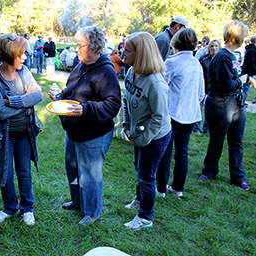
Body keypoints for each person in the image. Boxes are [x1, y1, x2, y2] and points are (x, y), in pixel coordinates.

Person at [48, 25, 121, 226]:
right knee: (73, 169)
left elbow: (113, 104)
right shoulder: (81, 65)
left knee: (89, 175)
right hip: (73, 131)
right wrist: (60, 95)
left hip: (93, 134)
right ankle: (77, 202)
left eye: (80, 45)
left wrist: (86, 109)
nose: (77, 48)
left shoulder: (106, 71)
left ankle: (91, 211)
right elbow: (72, 88)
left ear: (94, 47)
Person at [0, 33, 43, 225]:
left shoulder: (23, 70)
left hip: (25, 133)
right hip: (4, 136)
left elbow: (38, 95)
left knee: (24, 172)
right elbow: (0, 112)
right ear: (9, 56)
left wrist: (11, 101)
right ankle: (10, 207)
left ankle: (28, 209)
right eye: (21, 54)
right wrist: (26, 101)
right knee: (6, 174)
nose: (25, 57)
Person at [198, 20, 256, 190]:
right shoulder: (223, 56)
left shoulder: (232, 55)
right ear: (237, 36)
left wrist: (241, 80)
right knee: (217, 140)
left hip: (236, 104)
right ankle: (209, 171)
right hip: (221, 104)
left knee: (236, 142)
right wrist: (242, 80)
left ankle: (238, 177)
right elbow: (226, 84)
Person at [122, 32, 171, 231]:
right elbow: (126, 101)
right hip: (138, 134)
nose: (122, 53)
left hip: (155, 136)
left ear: (140, 53)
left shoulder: (155, 83)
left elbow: (159, 117)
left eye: (126, 50)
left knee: (146, 175)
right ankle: (140, 198)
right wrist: (126, 126)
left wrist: (142, 140)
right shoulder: (131, 71)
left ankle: (145, 217)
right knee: (138, 167)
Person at [155, 28, 205, 198]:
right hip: (190, 115)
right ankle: (177, 188)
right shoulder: (196, 64)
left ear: (175, 42)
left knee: (166, 152)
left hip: (172, 114)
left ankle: (161, 188)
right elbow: (201, 93)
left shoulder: (172, 62)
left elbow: (161, 87)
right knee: (182, 152)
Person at [194, 39, 221, 134]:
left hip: (213, 89)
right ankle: (196, 128)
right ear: (209, 47)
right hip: (202, 87)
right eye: (212, 46)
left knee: (209, 110)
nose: (214, 48)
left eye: (216, 46)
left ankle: (206, 128)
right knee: (199, 108)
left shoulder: (221, 60)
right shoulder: (203, 59)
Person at [242, 34, 256, 102]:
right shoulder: (252, 50)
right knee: (245, 89)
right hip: (248, 72)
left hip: (247, 71)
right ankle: (241, 102)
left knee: (245, 88)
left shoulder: (249, 49)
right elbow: (251, 63)